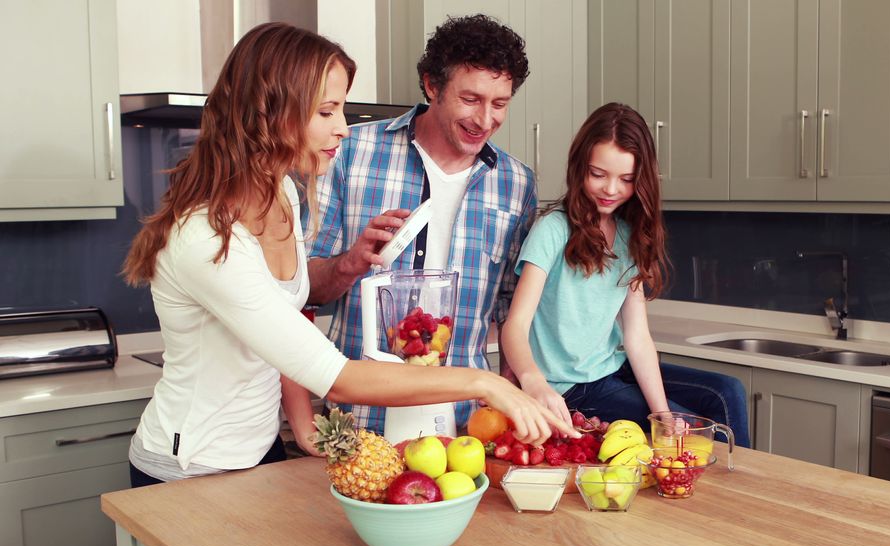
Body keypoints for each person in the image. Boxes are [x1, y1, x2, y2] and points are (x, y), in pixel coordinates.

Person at [121, 22, 572, 487]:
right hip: (192, 466)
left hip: (262, 450)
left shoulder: (283, 196)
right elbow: (333, 375)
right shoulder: (206, 239)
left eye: (340, 109)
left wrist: (299, 423)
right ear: (267, 113)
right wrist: (487, 383)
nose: (342, 127)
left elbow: (288, 319)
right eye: (326, 111)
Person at [306, 14, 535, 435]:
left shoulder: (516, 183)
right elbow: (301, 290)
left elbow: (510, 312)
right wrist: (350, 263)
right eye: (471, 99)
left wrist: (510, 407)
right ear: (432, 85)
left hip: (467, 425)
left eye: (499, 103)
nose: (485, 120)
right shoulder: (350, 152)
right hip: (360, 422)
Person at [500, 102, 751, 447]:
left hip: (613, 371)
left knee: (726, 393)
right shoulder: (553, 229)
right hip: (570, 388)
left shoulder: (628, 234)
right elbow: (515, 325)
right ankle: (706, 488)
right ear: (578, 168)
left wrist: (660, 412)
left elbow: (637, 336)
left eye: (627, 179)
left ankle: (737, 488)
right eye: (598, 174)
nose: (611, 189)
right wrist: (534, 383)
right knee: (688, 437)